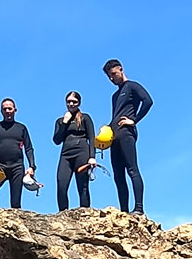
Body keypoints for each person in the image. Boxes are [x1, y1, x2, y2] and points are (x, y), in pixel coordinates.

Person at [103, 58, 153, 214]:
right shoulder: (114, 96)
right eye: (109, 77)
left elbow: (148, 101)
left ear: (121, 69)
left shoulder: (132, 86)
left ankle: (139, 208)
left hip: (126, 133)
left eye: (113, 74)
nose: (112, 79)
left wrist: (134, 120)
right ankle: (124, 211)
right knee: (118, 175)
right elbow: (116, 114)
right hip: (114, 136)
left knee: (132, 170)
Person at [0, 98, 37, 210]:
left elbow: (29, 148)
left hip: (17, 167)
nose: (7, 111)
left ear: (15, 110)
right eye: (5, 109)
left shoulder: (21, 128)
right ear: (1, 111)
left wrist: (31, 166)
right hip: (0, 166)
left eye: (10, 108)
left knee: (15, 202)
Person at [52, 90, 96, 210]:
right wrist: (65, 123)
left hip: (82, 152)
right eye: (69, 102)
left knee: (83, 186)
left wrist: (92, 157)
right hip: (66, 154)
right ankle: (62, 213)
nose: (71, 104)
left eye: (74, 102)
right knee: (61, 184)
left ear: (79, 103)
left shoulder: (85, 118)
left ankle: (85, 213)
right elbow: (56, 140)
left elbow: (92, 138)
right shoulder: (60, 121)